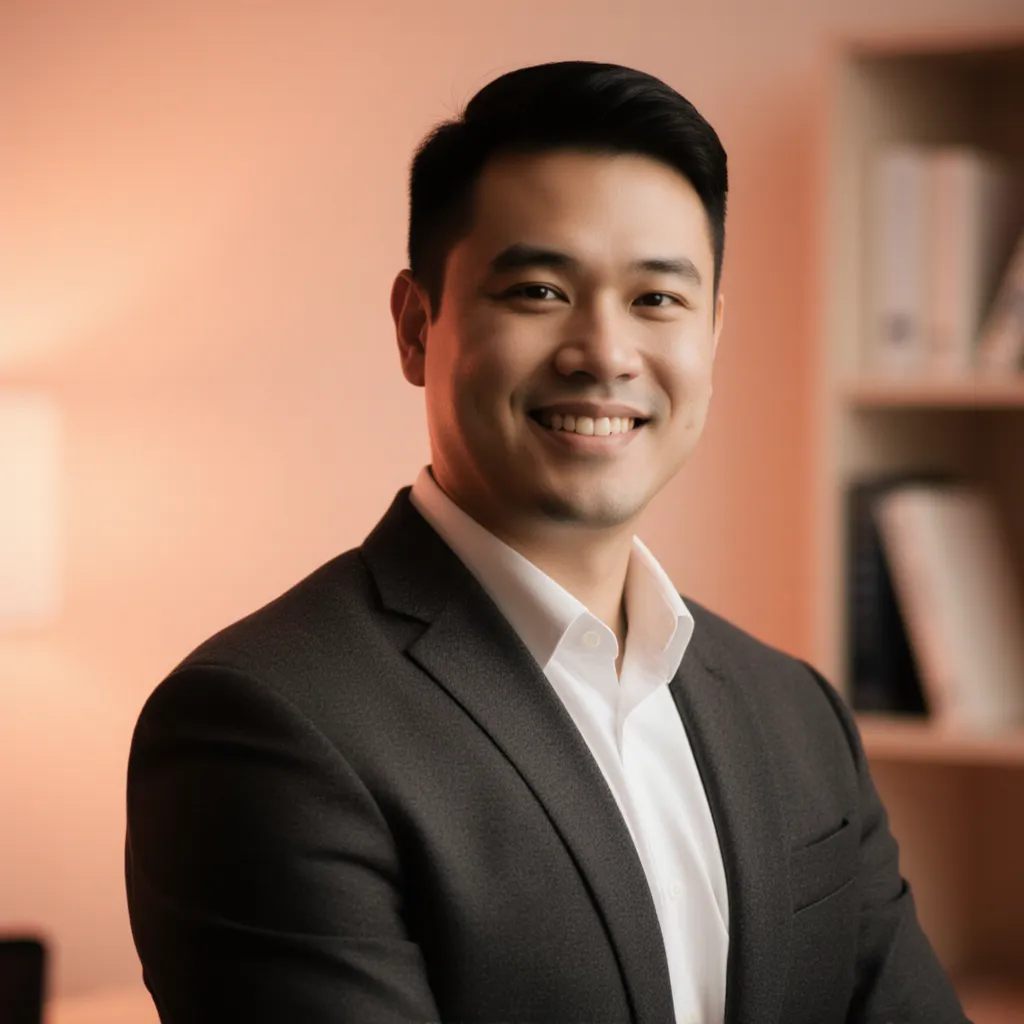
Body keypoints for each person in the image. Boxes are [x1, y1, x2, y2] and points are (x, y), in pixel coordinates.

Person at [124, 60, 968, 1024]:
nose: (605, 352)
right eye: (537, 290)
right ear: (415, 326)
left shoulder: (797, 712)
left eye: (658, 300)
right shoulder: (264, 724)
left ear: (712, 337)